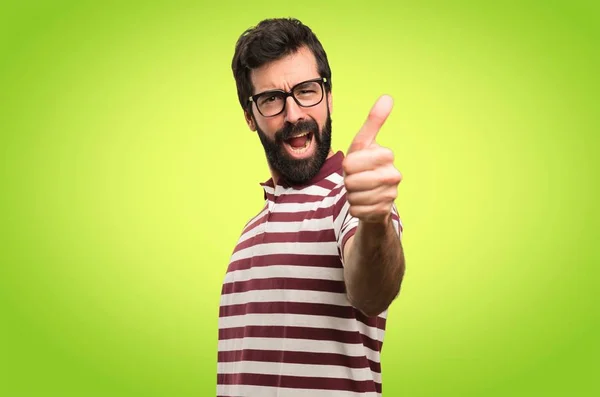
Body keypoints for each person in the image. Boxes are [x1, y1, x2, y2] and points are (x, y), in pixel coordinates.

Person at [217, 17, 406, 396]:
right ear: (250, 117)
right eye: (271, 99)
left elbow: (372, 291)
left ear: (329, 96)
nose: (294, 114)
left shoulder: (348, 201)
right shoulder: (248, 236)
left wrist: (373, 221)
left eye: (306, 90)